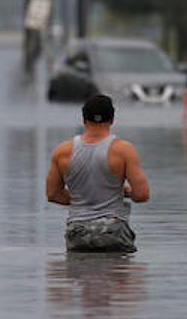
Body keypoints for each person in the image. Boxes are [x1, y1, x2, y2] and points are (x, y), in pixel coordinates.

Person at [45, 94, 150, 252]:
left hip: (78, 232)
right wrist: (124, 193)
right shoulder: (124, 150)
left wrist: (85, 198)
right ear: (112, 119)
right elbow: (142, 195)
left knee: (76, 273)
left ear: (84, 119)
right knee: (126, 274)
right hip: (113, 231)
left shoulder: (63, 151)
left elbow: (52, 194)